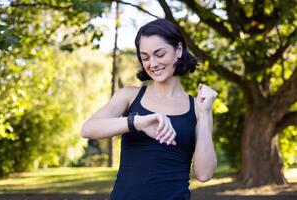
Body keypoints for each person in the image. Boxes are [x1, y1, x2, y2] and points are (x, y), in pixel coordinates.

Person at [81, 18, 217, 200]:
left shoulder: (198, 108)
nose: (152, 64)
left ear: (178, 50)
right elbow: (88, 129)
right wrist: (137, 122)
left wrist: (205, 113)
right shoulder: (129, 96)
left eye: (159, 54)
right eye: (145, 57)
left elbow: (204, 174)